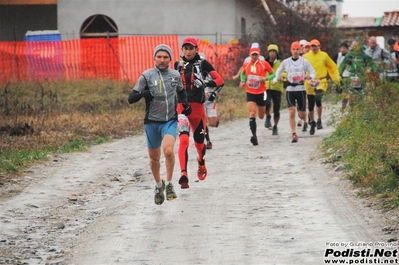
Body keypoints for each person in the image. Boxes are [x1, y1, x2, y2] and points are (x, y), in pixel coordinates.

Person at [128, 44, 190, 205]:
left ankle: (169, 184)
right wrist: (143, 94)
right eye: (159, 57)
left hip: (169, 120)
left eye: (165, 57)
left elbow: (181, 91)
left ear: (170, 59)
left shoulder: (175, 75)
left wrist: (185, 102)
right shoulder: (146, 76)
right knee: (154, 159)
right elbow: (131, 98)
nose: (162, 60)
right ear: (154, 58)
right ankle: (158, 185)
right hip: (151, 122)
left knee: (168, 151)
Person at [174, 36, 224, 189]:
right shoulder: (177, 65)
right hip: (182, 107)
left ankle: (201, 162)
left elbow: (220, 80)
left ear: (196, 49)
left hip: (198, 109)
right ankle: (184, 174)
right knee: (183, 140)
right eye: (186, 48)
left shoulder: (203, 64)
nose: (188, 51)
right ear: (182, 50)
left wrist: (205, 82)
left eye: (191, 48)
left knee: (199, 143)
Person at [272, 41, 316, 143]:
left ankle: (305, 119)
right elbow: (278, 71)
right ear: (291, 50)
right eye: (293, 49)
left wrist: (310, 77)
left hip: (301, 89)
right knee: (291, 111)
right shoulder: (286, 62)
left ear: (300, 50)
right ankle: (294, 133)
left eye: (297, 49)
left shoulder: (304, 61)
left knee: (302, 114)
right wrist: (275, 80)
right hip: (290, 89)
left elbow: (313, 72)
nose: (295, 51)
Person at [240, 46, 275, 145]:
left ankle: (267, 113)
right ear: (250, 55)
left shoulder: (264, 64)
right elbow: (243, 74)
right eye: (253, 55)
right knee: (252, 113)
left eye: (256, 54)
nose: (254, 56)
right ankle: (254, 136)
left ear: (259, 55)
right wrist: (243, 81)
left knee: (261, 116)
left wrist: (266, 79)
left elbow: (273, 74)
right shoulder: (246, 64)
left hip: (261, 92)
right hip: (250, 92)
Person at [304, 39, 340, 133]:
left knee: (318, 99)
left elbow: (332, 67)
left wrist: (337, 80)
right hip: (310, 82)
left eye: (316, 46)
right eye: (312, 46)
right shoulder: (306, 57)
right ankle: (312, 122)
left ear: (319, 46)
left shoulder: (324, 55)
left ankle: (319, 119)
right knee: (311, 104)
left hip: (321, 81)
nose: (314, 48)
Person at [198, 53, 224, 149]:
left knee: (213, 124)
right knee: (202, 123)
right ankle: (208, 141)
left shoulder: (210, 72)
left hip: (210, 100)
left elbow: (221, 83)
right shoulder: (193, 73)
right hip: (200, 102)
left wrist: (215, 93)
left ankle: (216, 120)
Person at [264, 44, 283, 135]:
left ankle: (275, 126)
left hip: (277, 87)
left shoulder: (280, 63)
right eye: (270, 51)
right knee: (266, 103)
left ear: (276, 53)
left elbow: (286, 72)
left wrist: (282, 76)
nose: (272, 53)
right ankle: (267, 116)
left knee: (276, 109)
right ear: (268, 53)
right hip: (266, 87)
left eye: (274, 52)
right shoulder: (263, 63)